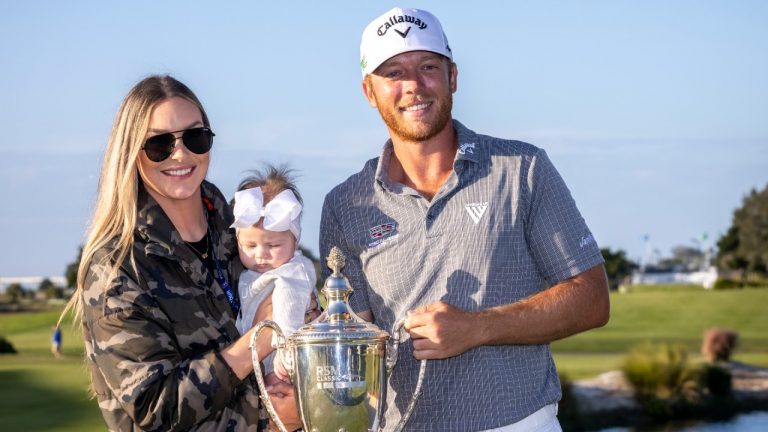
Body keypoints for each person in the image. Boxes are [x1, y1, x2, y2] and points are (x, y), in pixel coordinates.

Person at [320, 7, 610, 431]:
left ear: (452, 76)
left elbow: (592, 299)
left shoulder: (521, 169)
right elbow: (356, 345)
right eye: (394, 73)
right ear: (370, 91)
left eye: (428, 67)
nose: (414, 86)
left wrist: (477, 327)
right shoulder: (346, 203)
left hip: (519, 422)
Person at [62, 75, 305, 431]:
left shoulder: (238, 223)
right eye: (159, 144)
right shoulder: (117, 266)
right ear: (132, 153)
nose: (181, 154)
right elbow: (155, 408)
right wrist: (261, 340)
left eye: (196, 137)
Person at [231, 166, 317, 381]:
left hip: (284, 362)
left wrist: (287, 352)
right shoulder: (249, 274)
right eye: (250, 246)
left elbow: (290, 310)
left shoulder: (291, 272)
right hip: (254, 363)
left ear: (294, 240)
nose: (261, 255)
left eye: (273, 245)